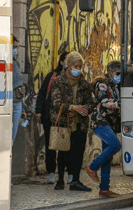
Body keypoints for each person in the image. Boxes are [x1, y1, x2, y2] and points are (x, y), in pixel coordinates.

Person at [50, 52, 94, 191]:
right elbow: (56, 102)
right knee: (63, 152)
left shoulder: (84, 84)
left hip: (80, 123)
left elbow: (91, 103)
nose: (78, 69)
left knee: (78, 152)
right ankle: (60, 180)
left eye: (80, 66)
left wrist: (84, 108)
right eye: (76, 66)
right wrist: (71, 107)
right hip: (65, 122)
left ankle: (75, 180)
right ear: (69, 66)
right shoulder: (59, 81)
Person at [35, 52, 73, 184]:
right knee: (50, 144)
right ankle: (51, 171)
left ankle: (67, 172)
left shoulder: (74, 77)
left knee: (66, 144)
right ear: (62, 62)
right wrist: (38, 111)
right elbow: (42, 93)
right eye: (67, 60)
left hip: (66, 116)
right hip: (49, 115)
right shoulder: (52, 76)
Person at [86, 60, 122, 197]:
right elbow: (104, 102)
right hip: (100, 122)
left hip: (110, 123)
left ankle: (104, 189)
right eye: (117, 73)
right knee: (115, 145)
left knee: (108, 157)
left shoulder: (116, 86)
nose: (119, 76)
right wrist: (123, 102)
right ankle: (92, 167)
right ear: (110, 72)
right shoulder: (101, 84)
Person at [12, 35, 26, 144]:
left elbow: (19, 85)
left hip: (17, 103)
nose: (15, 50)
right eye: (13, 47)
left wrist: (23, 109)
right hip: (9, 103)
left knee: (12, 137)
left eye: (16, 48)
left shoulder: (16, 63)